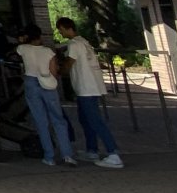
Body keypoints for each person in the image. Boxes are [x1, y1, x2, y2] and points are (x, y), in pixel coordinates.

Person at [56, 17, 123, 168]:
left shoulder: (74, 44)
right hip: (91, 87)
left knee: (95, 121)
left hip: (85, 88)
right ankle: (91, 149)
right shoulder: (85, 42)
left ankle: (113, 153)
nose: (60, 33)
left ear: (66, 28)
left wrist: (58, 72)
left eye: (60, 30)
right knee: (86, 120)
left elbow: (69, 63)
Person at [15, 24, 77, 167]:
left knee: (40, 121)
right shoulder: (48, 51)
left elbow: (17, 49)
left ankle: (49, 156)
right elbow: (54, 70)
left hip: (31, 82)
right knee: (58, 119)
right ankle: (67, 155)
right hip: (48, 82)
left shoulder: (23, 49)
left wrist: (22, 39)